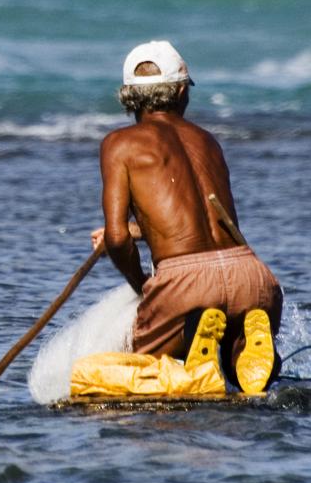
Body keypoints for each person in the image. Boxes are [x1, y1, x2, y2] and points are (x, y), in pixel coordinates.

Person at [90, 40, 283, 393]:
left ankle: (194, 337)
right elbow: (199, 220)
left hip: (185, 283)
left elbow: (116, 240)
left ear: (128, 96)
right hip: (250, 273)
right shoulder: (207, 141)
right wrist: (138, 231)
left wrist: (143, 286)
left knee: (144, 358)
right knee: (241, 361)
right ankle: (244, 343)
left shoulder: (119, 144)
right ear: (181, 92)